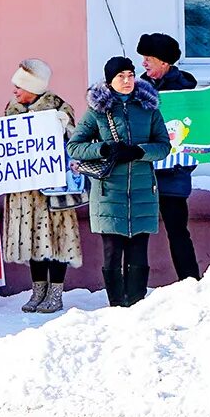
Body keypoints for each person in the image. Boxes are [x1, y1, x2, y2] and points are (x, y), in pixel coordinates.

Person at [69, 57, 172, 309]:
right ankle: (116, 304)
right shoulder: (98, 112)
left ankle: (136, 303)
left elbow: (163, 146)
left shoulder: (148, 108)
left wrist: (139, 152)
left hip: (142, 191)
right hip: (108, 191)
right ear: (109, 81)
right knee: (112, 251)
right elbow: (75, 147)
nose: (127, 81)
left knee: (138, 249)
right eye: (120, 77)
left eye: (130, 75)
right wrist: (104, 149)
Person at [0, 60, 81, 315]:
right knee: (33, 240)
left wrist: (64, 126)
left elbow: (75, 144)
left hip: (52, 192)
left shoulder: (59, 108)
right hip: (24, 192)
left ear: (33, 88)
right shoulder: (11, 112)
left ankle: (55, 292)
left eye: (19, 86)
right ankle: (38, 291)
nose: (14, 91)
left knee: (57, 241)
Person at [137, 33, 202, 282]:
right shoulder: (139, 89)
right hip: (144, 173)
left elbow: (196, 133)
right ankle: (135, 290)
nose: (144, 63)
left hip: (173, 175)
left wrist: (183, 165)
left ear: (164, 62)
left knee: (177, 232)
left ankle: (190, 282)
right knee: (138, 234)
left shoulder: (186, 91)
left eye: (149, 58)